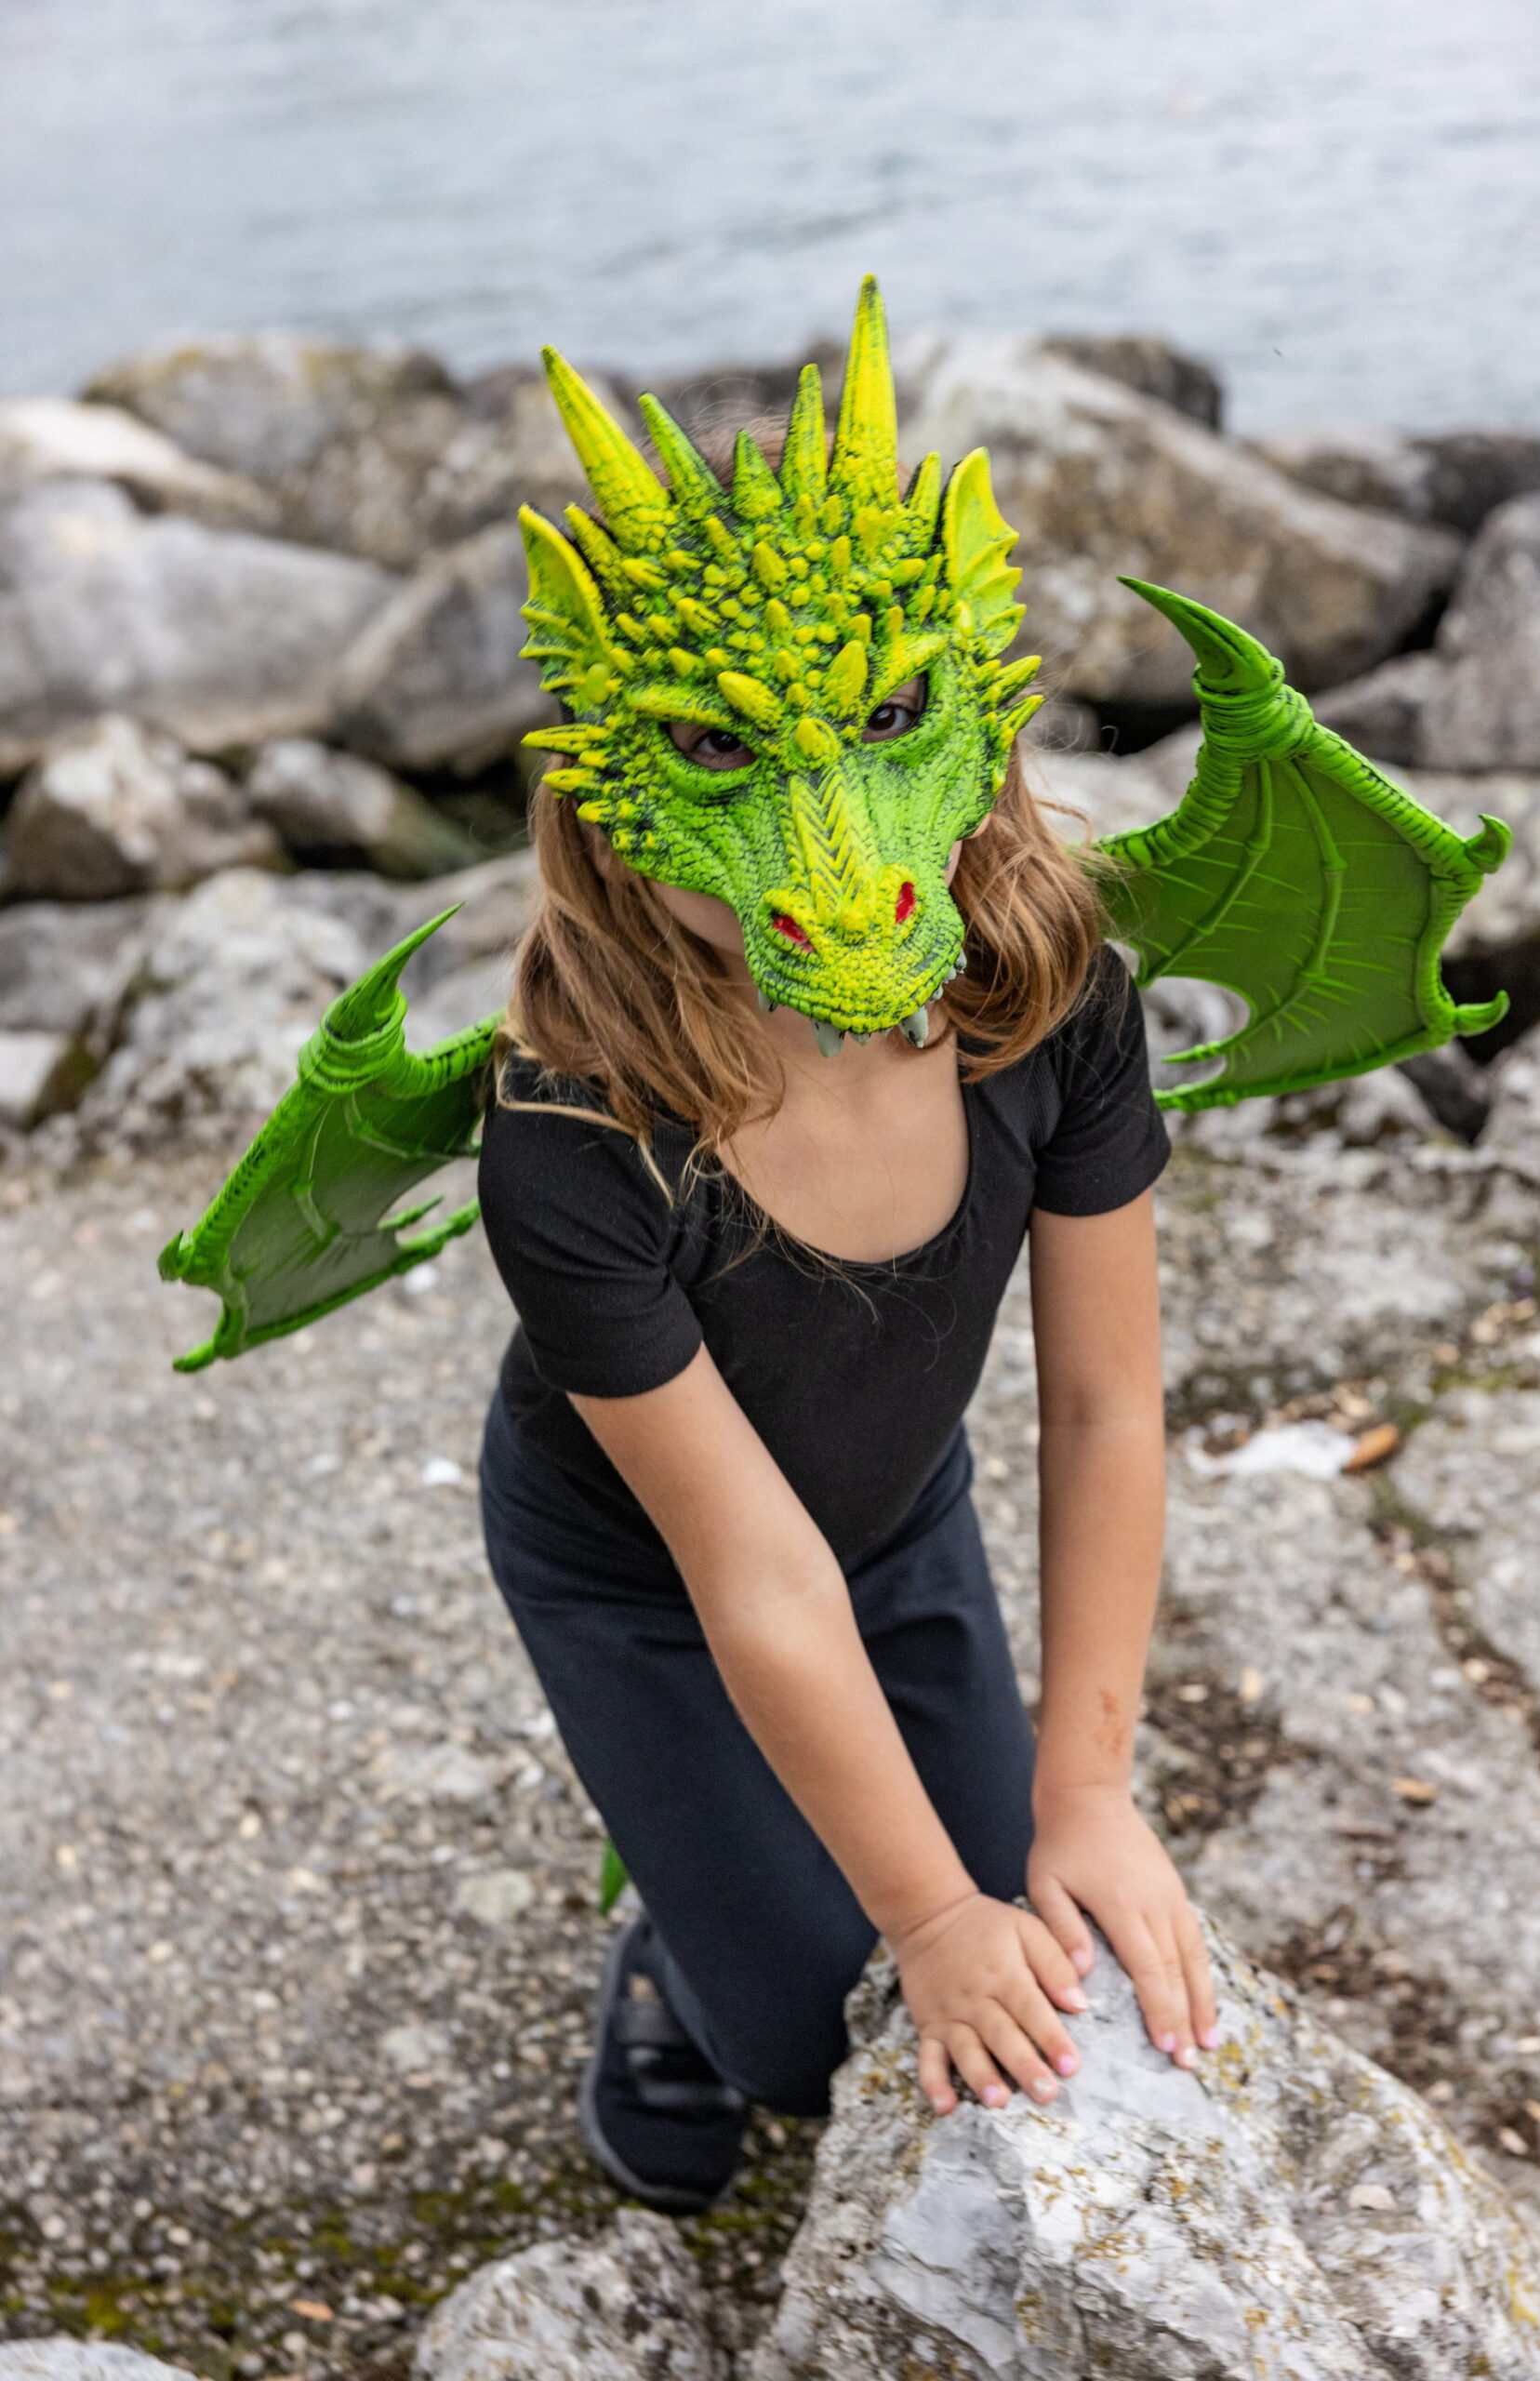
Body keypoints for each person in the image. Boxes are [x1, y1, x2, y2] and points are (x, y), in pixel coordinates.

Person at [471, 282, 1218, 2214]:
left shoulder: (1056, 1003)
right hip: (645, 1577)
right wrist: (929, 1917)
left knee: (1033, 1923)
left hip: (894, 1514)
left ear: (965, 709)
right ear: (609, 801)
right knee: (818, 2037)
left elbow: (1105, 1405)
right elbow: (747, 1572)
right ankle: (672, 1961)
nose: (835, 861)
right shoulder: (570, 1135)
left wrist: (1083, 1790)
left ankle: (726, 1863)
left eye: (885, 720)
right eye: (719, 752)